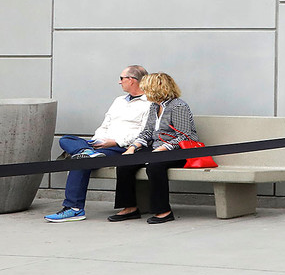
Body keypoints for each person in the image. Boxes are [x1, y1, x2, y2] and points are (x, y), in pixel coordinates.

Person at [44, 65, 148, 223]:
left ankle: (74, 209)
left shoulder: (149, 103)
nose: (119, 82)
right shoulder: (119, 101)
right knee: (66, 139)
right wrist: (96, 141)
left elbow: (143, 132)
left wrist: (113, 142)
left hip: (121, 148)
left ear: (132, 80)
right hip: (100, 146)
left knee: (80, 159)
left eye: (121, 78)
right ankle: (87, 151)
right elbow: (105, 124)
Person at [107, 72, 195, 225]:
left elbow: (185, 136)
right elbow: (147, 132)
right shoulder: (154, 106)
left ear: (157, 89)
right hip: (156, 148)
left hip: (178, 151)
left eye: (146, 89)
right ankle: (130, 208)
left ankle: (164, 211)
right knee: (125, 163)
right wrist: (133, 147)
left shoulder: (178, 106)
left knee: (155, 166)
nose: (144, 92)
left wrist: (163, 148)